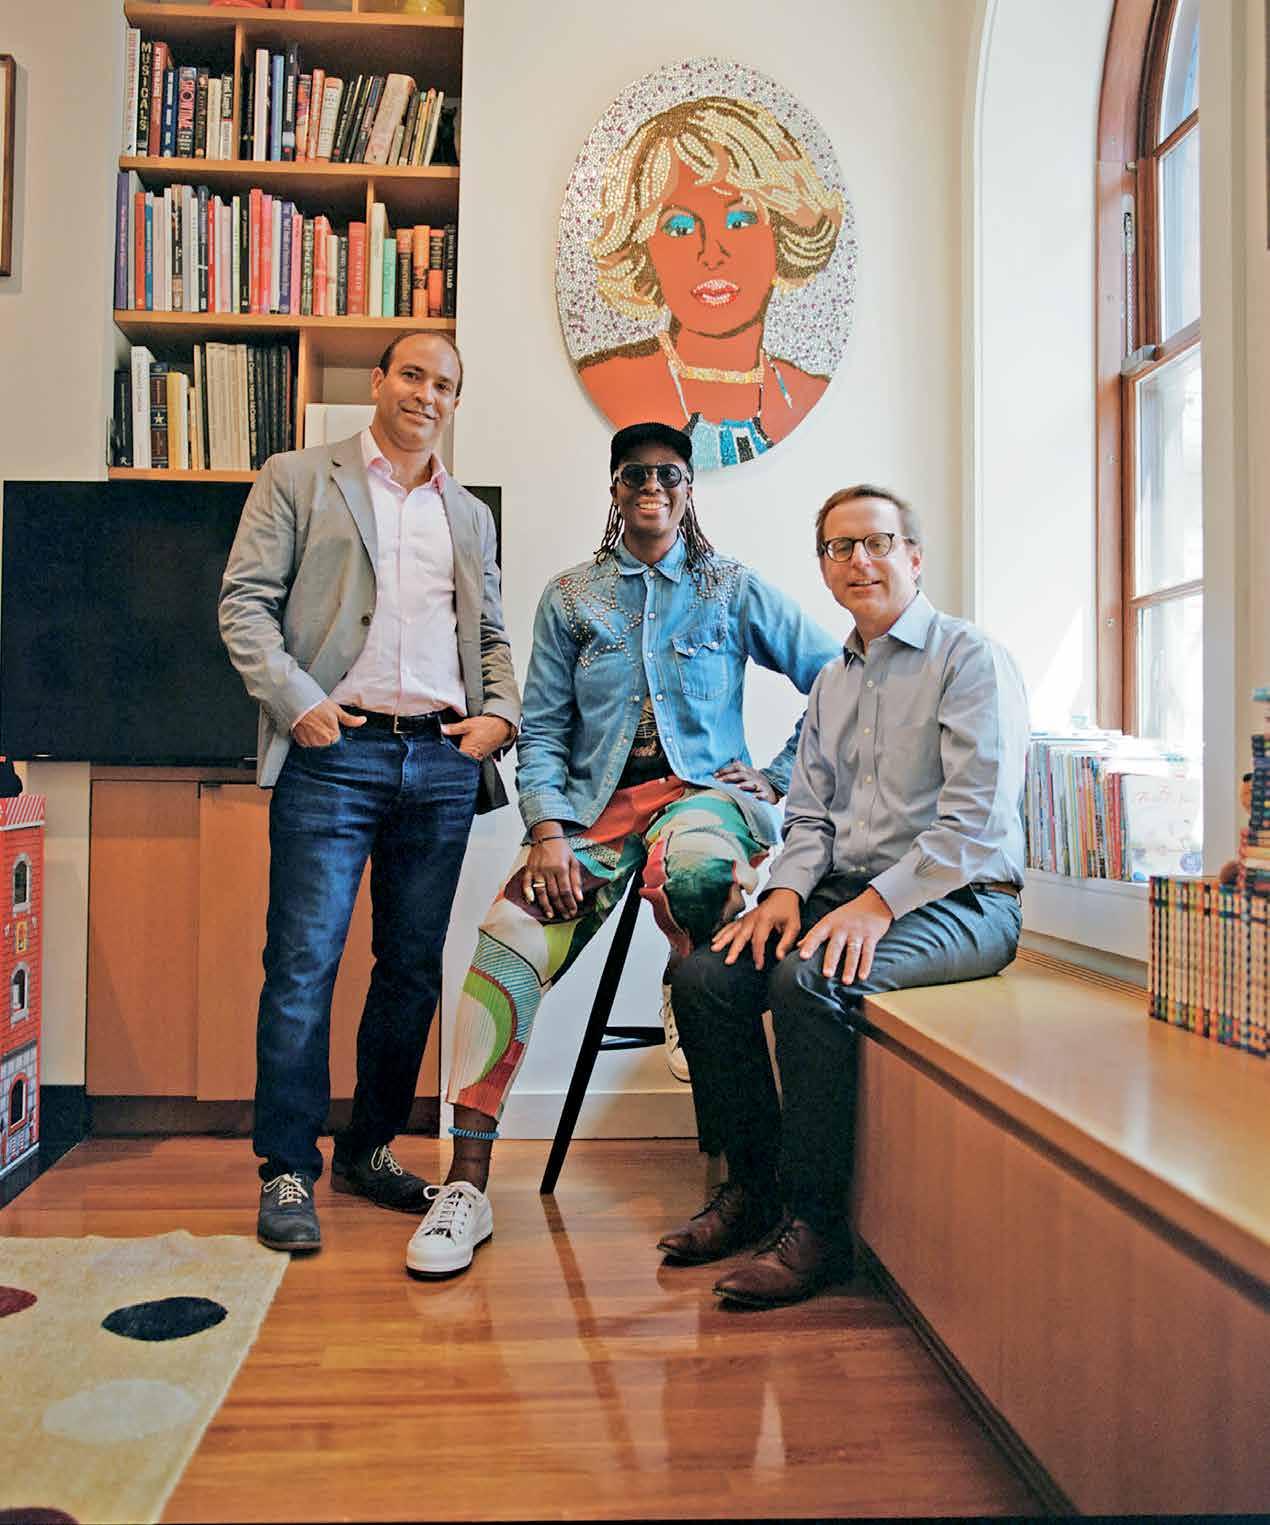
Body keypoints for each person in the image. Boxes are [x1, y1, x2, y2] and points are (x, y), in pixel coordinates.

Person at [403, 421, 842, 1278]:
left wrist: (777, 774)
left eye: (669, 475)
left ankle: (692, 998)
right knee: (507, 944)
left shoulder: (729, 588)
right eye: (635, 475)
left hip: (701, 799)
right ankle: (465, 1186)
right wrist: (546, 832)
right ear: (613, 488)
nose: (652, 488)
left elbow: (835, 675)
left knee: (699, 869)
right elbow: (542, 727)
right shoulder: (572, 597)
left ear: (689, 489)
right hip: (591, 816)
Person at [663, 485, 1029, 1307]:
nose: (859, 559)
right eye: (839, 547)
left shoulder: (969, 659)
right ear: (825, 569)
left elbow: (975, 823)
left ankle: (817, 1226)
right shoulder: (831, 681)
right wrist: (786, 893)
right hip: (847, 890)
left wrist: (879, 904)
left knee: (809, 980)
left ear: (914, 556)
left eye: (878, 541)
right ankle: (751, 1190)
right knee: (706, 977)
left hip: (965, 899)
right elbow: (808, 814)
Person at [219, 331, 521, 1254]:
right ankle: (286, 1167)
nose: (427, 394)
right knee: (302, 963)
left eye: (445, 384)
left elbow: (491, 633)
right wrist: (299, 704)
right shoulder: (297, 477)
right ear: (380, 382)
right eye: (413, 375)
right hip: (334, 754)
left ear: (456, 402)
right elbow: (244, 604)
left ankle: (368, 1149)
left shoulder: (468, 514)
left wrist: (500, 715)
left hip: (439, 764)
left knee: (410, 970)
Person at [578, 96, 844, 470]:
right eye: (680, 228)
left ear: (783, 235)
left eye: (740, 221)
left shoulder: (805, 391)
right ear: (644, 250)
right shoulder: (610, 378)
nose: (712, 253)